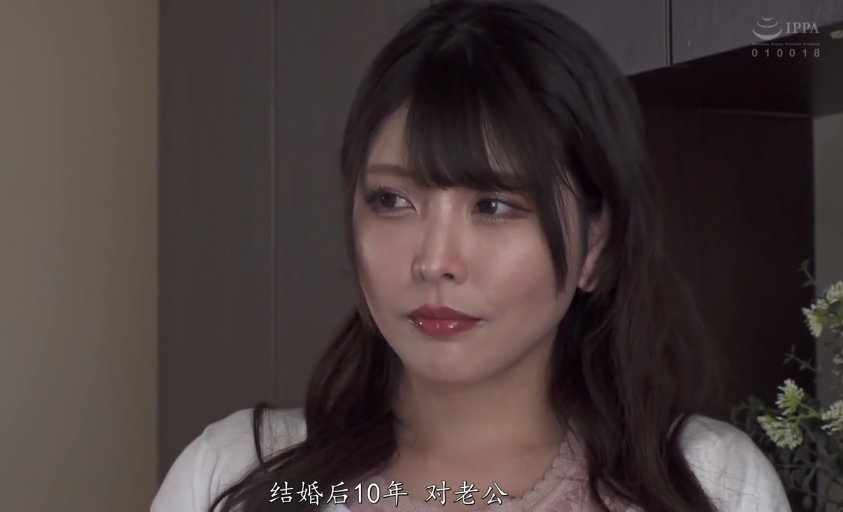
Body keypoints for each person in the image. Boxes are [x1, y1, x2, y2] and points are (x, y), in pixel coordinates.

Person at [152, 0, 791, 510]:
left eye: (492, 205)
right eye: (391, 200)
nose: (434, 261)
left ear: (595, 242)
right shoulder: (237, 476)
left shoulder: (709, 483)